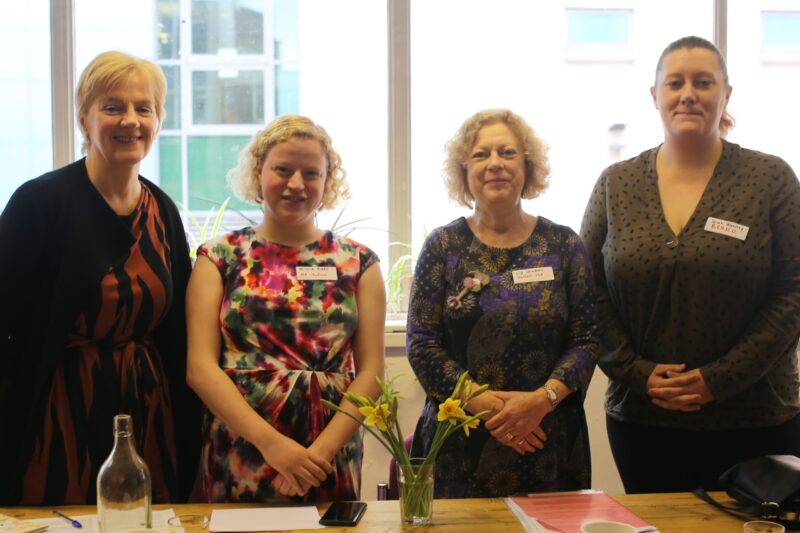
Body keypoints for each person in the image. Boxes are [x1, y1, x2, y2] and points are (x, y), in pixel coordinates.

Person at [580, 35, 800, 494]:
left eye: (703, 82)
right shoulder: (615, 185)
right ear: (655, 96)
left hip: (756, 418)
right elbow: (587, 291)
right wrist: (639, 373)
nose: (688, 94)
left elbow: (793, 292)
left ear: (726, 95)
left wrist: (719, 379)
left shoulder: (770, 178)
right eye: (675, 82)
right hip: (643, 419)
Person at [0, 51, 200, 505]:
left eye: (143, 108)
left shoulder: (163, 211)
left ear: (158, 120)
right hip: (57, 417)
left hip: (149, 415)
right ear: (84, 119)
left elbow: (179, 333)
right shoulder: (39, 204)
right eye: (113, 107)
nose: (130, 120)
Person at [186, 115, 385, 503]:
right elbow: (200, 369)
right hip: (242, 448)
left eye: (311, 173)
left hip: (328, 454)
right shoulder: (218, 257)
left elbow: (372, 374)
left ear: (327, 181)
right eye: (283, 169)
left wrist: (320, 453)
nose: (296, 184)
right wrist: (272, 445)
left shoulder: (359, 263)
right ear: (259, 171)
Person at [406, 109, 601, 497]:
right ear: (464, 171)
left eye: (508, 153)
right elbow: (422, 344)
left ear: (528, 167)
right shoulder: (442, 246)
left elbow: (588, 340)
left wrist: (540, 402)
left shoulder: (564, 245)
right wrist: (487, 405)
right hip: (458, 443)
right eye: (481, 155)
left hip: (548, 440)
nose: (495, 163)